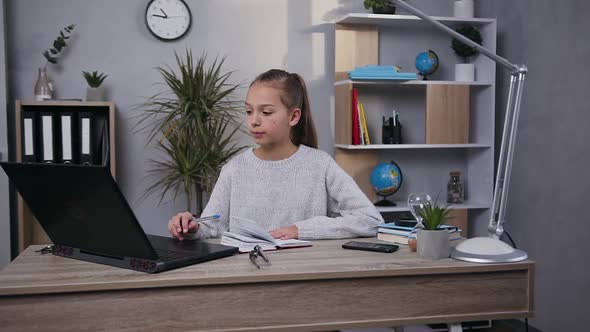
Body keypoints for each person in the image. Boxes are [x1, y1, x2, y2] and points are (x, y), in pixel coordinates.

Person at [168, 69, 383, 241]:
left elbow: (370, 219)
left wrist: (299, 229)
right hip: (247, 276)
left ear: (294, 116)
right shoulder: (234, 169)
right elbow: (213, 225)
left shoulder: (320, 165)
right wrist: (192, 226)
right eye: (249, 111)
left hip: (305, 275)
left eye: (266, 112)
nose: (254, 121)